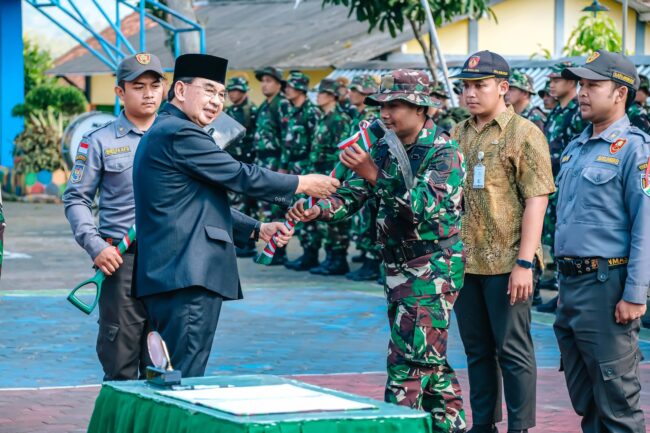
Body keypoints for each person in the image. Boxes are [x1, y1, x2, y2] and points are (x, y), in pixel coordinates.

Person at [133, 54, 340, 378]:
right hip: (187, 275)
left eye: (220, 94)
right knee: (183, 380)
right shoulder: (179, 133)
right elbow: (241, 175)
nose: (216, 102)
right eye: (208, 91)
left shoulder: (168, 130)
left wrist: (257, 229)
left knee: (168, 374)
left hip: (174, 275)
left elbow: (197, 202)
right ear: (182, 90)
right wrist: (303, 183)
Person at [288, 69, 467, 433]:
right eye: (382, 105)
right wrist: (318, 209)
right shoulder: (384, 147)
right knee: (429, 361)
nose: (385, 114)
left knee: (407, 365)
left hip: (432, 269)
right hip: (399, 267)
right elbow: (351, 196)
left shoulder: (444, 154)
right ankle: (454, 426)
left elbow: (418, 208)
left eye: (395, 105)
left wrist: (374, 174)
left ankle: (398, 427)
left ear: (421, 109)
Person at [450, 51, 555, 433]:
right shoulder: (458, 134)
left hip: (508, 262)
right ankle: (484, 425)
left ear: (503, 88)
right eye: (466, 86)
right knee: (477, 350)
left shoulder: (524, 133)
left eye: (480, 85)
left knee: (513, 350)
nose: (471, 93)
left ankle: (520, 427)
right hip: (467, 261)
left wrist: (525, 262)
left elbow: (537, 198)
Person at [553, 50, 649, 433]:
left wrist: (636, 294)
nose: (582, 93)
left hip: (608, 287)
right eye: (581, 84)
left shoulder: (636, 150)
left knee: (617, 403)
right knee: (587, 400)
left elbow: (646, 224)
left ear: (620, 93)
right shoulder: (576, 148)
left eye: (593, 85)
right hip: (573, 286)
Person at [63, 53, 166, 380]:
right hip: (121, 263)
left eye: (155, 85)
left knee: (165, 368)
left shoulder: (179, 138)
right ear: (120, 92)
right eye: (138, 86)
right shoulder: (98, 141)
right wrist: (95, 245)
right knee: (119, 364)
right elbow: (76, 197)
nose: (149, 93)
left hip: (171, 262)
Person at [538, 62, 588, 309]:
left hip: (569, 185)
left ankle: (565, 295)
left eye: (557, 80)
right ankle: (560, 292)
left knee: (568, 238)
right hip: (552, 185)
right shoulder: (558, 111)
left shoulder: (578, 112)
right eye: (551, 80)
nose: (552, 85)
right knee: (554, 238)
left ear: (571, 82)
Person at [308, 79, 353, 276]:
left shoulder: (340, 119)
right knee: (324, 216)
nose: (319, 96)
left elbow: (342, 151)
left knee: (336, 217)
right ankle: (329, 257)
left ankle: (338, 258)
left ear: (332, 95)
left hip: (333, 174)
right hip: (321, 172)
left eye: (323, 92)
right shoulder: (323, 117)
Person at [280, 71, 323, 271]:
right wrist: (283, 167)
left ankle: (311, 253)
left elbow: (316, 145)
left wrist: (310, 172)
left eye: (290, 86)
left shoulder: (312, 112)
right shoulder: (290, 112)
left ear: (300, 89)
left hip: (307, 169)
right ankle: (304, 252)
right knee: (291, 209)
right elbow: (286, 144)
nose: (286, 89)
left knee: (307, 210)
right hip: (292, 168)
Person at [344, 74, 382, 281]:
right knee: (364, 219)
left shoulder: (371, 116)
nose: (351, 94)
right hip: (359, 171)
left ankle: (373, 262)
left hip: (371, 171)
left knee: (371, 219)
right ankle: (369, 258)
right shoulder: (359, 114)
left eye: (356, 90)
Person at [252, 66, 292, 264]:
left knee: (277, 207)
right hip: (263, 161)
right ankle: (270, 248)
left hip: (275, 161)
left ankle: (279, 250)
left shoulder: (281, 104)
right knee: (267, 207)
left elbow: (287, 137)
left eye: (269, 80)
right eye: (263, 81)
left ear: (278, 84)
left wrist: (283, 166)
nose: (264, 84)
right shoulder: (265, 105)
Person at [224, 76, 259, 258]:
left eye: (237, 90)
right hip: (231, 161)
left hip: (246, 162)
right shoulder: (229, 110)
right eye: (231, 90)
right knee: (236, 203)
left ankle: (248, 243)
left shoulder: (251, 110)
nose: (233, 94)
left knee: (245, 204)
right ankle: (242, 241)